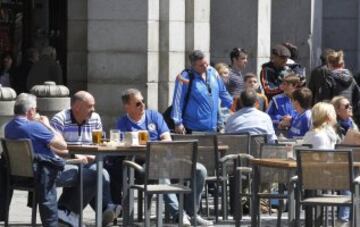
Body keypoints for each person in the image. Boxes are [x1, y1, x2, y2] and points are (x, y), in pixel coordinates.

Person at [116, 88, 213, 226]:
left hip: (168, 159)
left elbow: (167, 140)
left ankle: (192, 214)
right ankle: (178, 215)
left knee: (199, 170)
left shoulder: (154, 116)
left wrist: (154, 149)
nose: (143, 105)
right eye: (138, 103)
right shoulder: (122, 123)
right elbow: (124, 147)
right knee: (160, 170)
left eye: (143, 101)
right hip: (142, 165)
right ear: (127, 106)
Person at [5, 93, 98, 226]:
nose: (37, 112)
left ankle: (64, 210)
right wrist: (47, 125)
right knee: (93, 175)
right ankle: (65, 211)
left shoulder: (9, 127)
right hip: (45, 173)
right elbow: (62, 144)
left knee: (86, 171)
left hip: (21, 175)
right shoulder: (35, 127)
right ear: (31, 111)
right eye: (36, 109)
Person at [50, 90, 121, 226]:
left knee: (101, 172)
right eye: (90, 106)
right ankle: (67, 210)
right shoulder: (60, 119)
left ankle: (100, 210)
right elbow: (53, 146)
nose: (93, 109)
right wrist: (74, 156)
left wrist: (92, 156)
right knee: (97, 174)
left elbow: (99, 143)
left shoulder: (95, 118)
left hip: (89, 161)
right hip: (65, 163)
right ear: (77, 107)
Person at [302, 102, 348, 225]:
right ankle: (343, 220)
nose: (336, 116)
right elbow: (323, 162)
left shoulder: (313, 133)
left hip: (308, 176)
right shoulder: (322, 136)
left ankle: (343, 218)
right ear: (328, 117)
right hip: (321, 177)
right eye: (333, 113)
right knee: (352, 179)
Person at [171, 50, 233, 134]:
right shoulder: (184, 77)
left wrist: (237, 108)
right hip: (193, 129)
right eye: (201, 65)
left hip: (213, 128)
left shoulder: (214, 72)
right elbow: (178, 101)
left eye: (206, 63)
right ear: (193, 66)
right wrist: (178, 122)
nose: (205, 67)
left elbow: (223, 93)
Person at [215, 62, 231, 132]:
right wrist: (221, 126)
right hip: (220, 125)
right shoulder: (216, 88)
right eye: (224, 73)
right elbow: (217, 108)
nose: (227, 75)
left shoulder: (224, 88)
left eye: (228, 73)